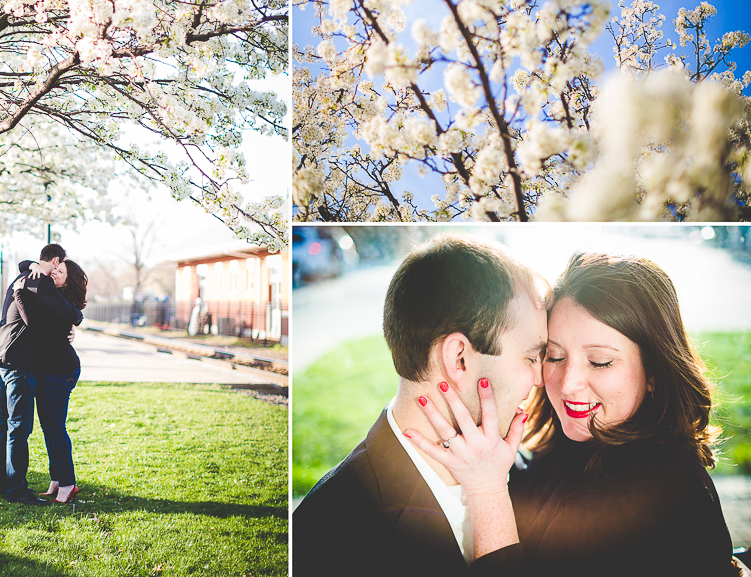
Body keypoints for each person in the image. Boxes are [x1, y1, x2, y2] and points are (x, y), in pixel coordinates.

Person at [408, 252, 738, 576]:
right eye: (553, 356)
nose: (567, 385)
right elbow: (540, 485)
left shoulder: (645, 497)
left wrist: (486, 490)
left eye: (599, 362)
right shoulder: (584, 439)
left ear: (654, 370)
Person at [292, 234, 547, 576]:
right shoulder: (329, 535)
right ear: (459, 359)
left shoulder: (521, 469)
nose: (540, 379)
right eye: (531, 357)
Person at [0, 243, 84, 506]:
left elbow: (57, 319)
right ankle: (16, 489)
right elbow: (68, 316)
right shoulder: (39, 281)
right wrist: (76, 318)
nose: (57, 272)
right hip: (19, 363)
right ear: (55, 261)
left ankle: (5, 483)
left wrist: (29, 264)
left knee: (8, 424)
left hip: (6, 359)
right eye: (60, 266)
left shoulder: (24, 277)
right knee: (18, 428)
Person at [14, 258, 88, 504]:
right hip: (51, 371)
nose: (54, 272)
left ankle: (68, 483)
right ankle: (57, 479)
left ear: (70, 280)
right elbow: (26, 263)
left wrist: (19, 295)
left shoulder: (62, 302)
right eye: (55, 268)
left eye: (61, 271)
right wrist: (35, 264)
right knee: (50, 429)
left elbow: (36, 324)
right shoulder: (54, 296)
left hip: (61, 371)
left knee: (56, 428)